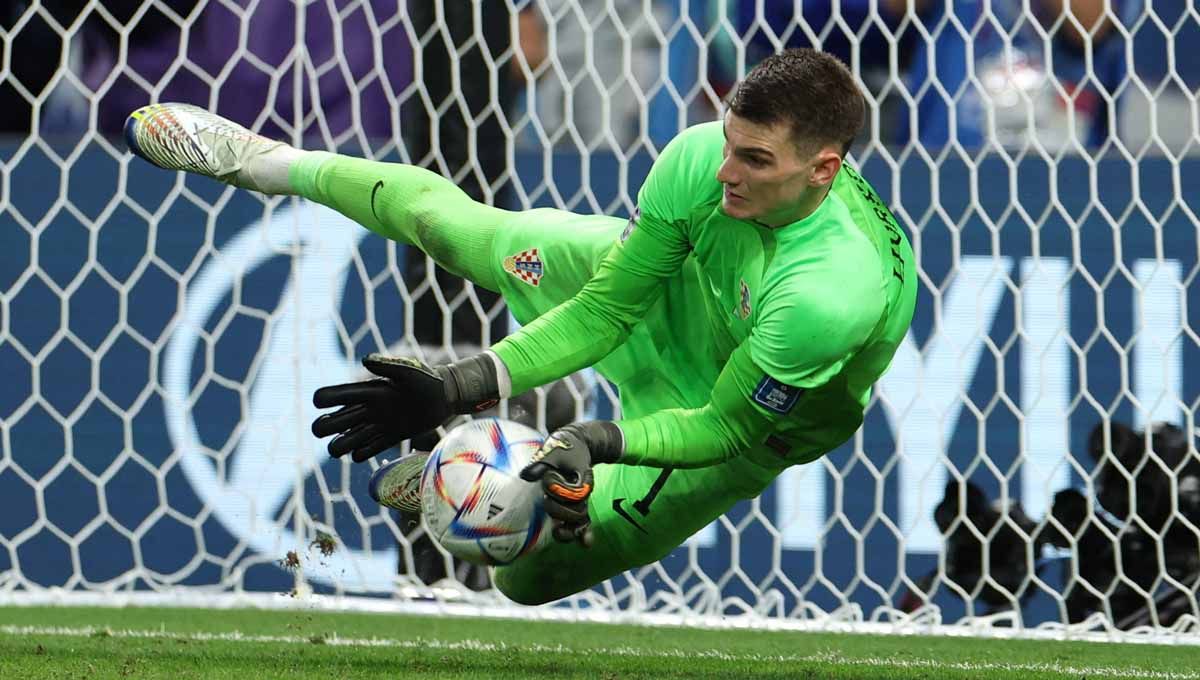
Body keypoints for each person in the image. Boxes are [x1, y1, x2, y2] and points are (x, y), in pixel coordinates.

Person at [123, 47, 918, 605]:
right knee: (476, 235)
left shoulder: (828, 293)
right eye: (729, 144)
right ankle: (257, 160)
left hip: (738, 421)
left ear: (824, 168)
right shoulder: (699, 160)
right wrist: (452, 385)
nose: (725, 173)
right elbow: (608, 310)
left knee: (524, 579)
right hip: (682, 295)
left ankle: (463, 480)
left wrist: (599, 442)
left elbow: (722, 424)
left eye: (755, 161)